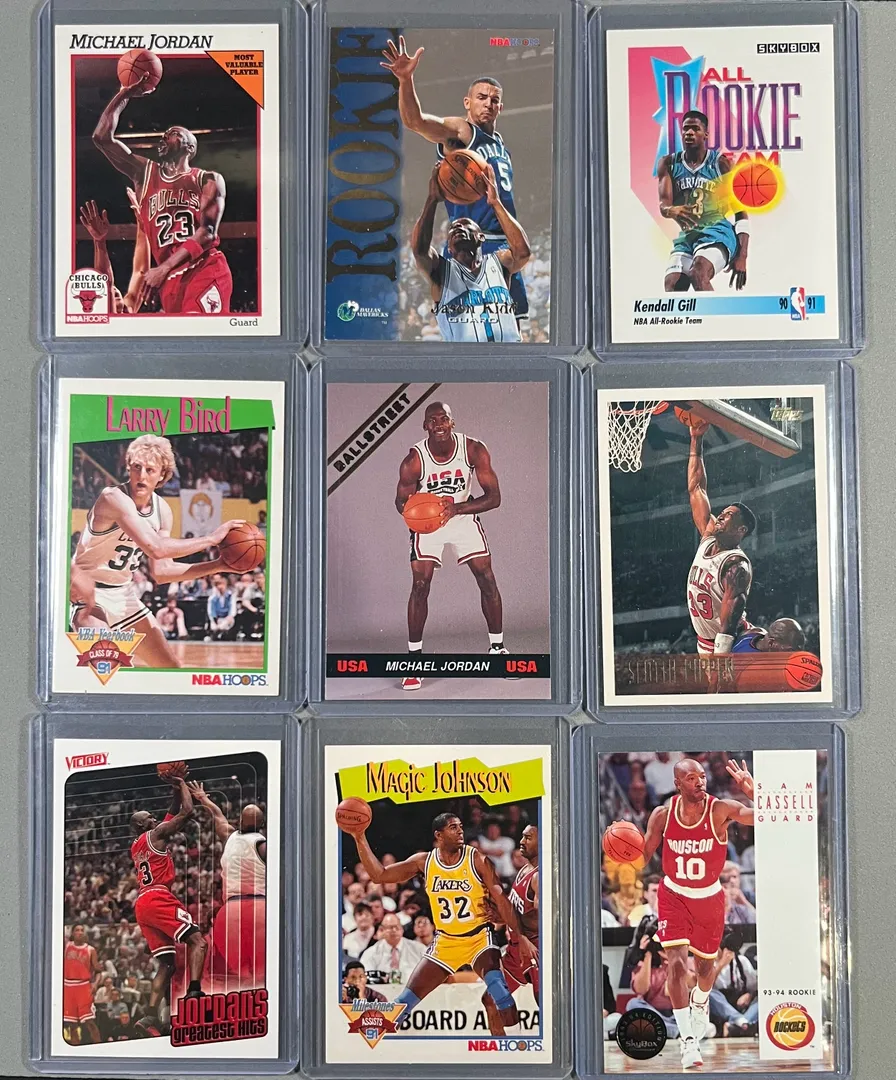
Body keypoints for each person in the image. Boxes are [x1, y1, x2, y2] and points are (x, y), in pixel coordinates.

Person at [381, 36, 531, 323]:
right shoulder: (462, 132)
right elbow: (415, 122)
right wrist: (405, 80)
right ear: (467, 102)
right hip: (469, 247)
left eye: (494, 100)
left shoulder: (501, 146)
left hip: (505, 248)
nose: (488, 103)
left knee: (513, 331)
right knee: (464, 330)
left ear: (501, 107)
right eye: (481, 97)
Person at [345, 811, 534, 1028]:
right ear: (439, 835)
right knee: (402, 1005)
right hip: (446, 942)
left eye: (460, 826)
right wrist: (359, 837)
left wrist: (521, 937)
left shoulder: (477, 860)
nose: (460, 831)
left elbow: (502, 901)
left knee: (501, 995)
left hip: (479, 938)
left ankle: (513, 1046)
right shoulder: (424, 862)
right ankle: (371, 1043)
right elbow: (379, 875)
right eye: (453, 827)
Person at [69, 435, 245, 668]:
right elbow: (156, 548)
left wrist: (220, 565)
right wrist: (211, 539)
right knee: (108, 668)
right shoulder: (113, 497)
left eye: (150, 470)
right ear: (128, 468)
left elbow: (162, 571)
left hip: (124, 595)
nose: (141, 475)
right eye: (136, 467)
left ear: (162, 475)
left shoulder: (162, 510)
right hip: (88, 594)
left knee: (171, 669)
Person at [627, 757, 755, 1069]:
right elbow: (641, 859)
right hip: (673, 895)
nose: (700, 781)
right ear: (677, 783)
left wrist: (753, 792)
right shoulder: (662, 814)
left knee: (705, 968)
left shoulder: (719, 809)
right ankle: (688, 1040)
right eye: (692, 777)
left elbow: (764, 818)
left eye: (702, 776)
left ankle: (700, 1000)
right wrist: (621, 848)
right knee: (676, 964)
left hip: (708, 897)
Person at [92, 77, 232, 314]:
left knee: (198, 330)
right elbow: (102, 138)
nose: (164, 137)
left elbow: (207, 232)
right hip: (168, 280)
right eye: (164, 134)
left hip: (203, 268)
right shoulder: (144, 172)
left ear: (189, 147)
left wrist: (164, 267)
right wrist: (124, 94)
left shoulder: (207, 179)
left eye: (173, 134)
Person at [395, 401, 510, 691]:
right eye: (433, 421)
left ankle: (497, 649)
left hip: (461, 515)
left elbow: (494, 497)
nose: (439, 425)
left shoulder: (473, 450)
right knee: (420, 585)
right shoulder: (414, 460)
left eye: (443, 419)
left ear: (452, 422)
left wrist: (456, 509)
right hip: (430, 523)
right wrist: (417, 515)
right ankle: (414, 660)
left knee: (487, 578)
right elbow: (400, 501)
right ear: (425, 426)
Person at [129, 771, 208, 1035]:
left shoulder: (138, 844)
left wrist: (174, 789)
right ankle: (194, 992)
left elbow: (170, 812)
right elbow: (187, 812)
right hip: (158, 896)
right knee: (198, 941)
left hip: (142, 902)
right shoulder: (156, 834)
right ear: (141, 825)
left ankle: (149, 1016)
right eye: (149, 817)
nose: (154, 818)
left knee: (167, 963)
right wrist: (183, 784)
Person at [412, 164, 529, 342]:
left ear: (481, 237)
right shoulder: (442, 273)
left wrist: (495, 203)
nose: (458, 227)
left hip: (509, 355)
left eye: (466, 225)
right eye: (452, 229)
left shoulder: (498, 263)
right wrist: (432, 200)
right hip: (466, 358)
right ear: (449, 248)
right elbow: (420, 251)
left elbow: (523, 253)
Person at [686, 418, 756, 657]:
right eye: (723, 512)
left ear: (741, 530)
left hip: (731, 643)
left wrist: (720, 660)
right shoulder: (708, 536)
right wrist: (696, 438)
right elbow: (697, 488)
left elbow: (728, 624)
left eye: (729, 515)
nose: (722, 515)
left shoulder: (736, 565)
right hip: (705, 642)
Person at [658, 110, 749, 292]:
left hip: (718, 233)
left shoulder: (720, 164)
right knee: (672, 285)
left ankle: (717, 313)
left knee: (698, 273)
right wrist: (670, 210)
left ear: (705, 134)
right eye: (685, 129)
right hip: (689, 236)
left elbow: (741, 213)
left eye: (695, 129)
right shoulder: (669, 164)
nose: (689, 133)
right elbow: (664, 205)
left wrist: (742, 256)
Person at [187, 781, 266, 990]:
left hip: (231, 910)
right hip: (260, 907)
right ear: (261, 824)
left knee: (237, 973)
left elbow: (217, 815)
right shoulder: (264, 845)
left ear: (239, 819)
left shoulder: (229, 836)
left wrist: (203, 798)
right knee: (261, 972)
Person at [484, 824, 539, 1035]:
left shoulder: (539, 877)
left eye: (528, 838)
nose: (522, 842)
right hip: (516, 946)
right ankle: (512, 1047)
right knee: (491, 999)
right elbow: (520, 911)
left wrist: (516, 927)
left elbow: (541, 918)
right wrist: (501, 916)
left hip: (533, 948)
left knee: (546, 1006)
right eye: (522, 837)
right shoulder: (524, 869)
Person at [79, 194, 149, 313]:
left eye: (114, 288)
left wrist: (142, 224)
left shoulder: (129, 310)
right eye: (112, 289)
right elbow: (106, 283)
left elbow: (140, 272)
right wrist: (99, 241)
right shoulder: (107, 315)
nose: (115, 289)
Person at [62, 924, 103, 1045]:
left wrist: (95, 984)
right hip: (67, 986)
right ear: (72, 933)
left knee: (90, 1022)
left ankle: (99, 1049)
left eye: (82, 930)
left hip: (83, 986)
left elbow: (98, 971)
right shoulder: (66, 946)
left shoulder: (90, 950)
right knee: (72, 1024)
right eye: (77, 930)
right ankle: (75, 1049)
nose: (80, 932)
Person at [362, 913, 426, 984]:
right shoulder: (371, 953)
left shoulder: (419, 949)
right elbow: (366, 979)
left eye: (397, 927)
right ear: (382, 930)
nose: (394, 930)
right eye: (390, 927)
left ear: (402, 929)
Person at [710, 943, 759, 1035]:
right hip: (720, 1007)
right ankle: (739, 1020)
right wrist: (721, 965)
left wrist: (749, 995)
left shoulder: (741, 960)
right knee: (710, 993)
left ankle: (739, 1025)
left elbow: (754, 987)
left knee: (760, 998)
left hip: (741, 1002)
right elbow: (705, 986)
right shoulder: (707, 964)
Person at [732, 617, 806, 653]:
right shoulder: (749, 633)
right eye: (790, 650)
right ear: (771, 643)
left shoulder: (753, 633)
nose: (792, 655)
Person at [206, 576, 237, 640]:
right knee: (214, 627)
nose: (220, 587)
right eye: (218, 585)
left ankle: (220, 631)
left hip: (227, 619)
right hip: (217, 619)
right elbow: (210, 612)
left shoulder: (231, 596)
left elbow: (233, 611)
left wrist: (228, 618)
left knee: (225, 624)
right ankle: (216, 634)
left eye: (222, 584)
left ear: (226, 585)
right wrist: (214, 621)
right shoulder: (212, 598)